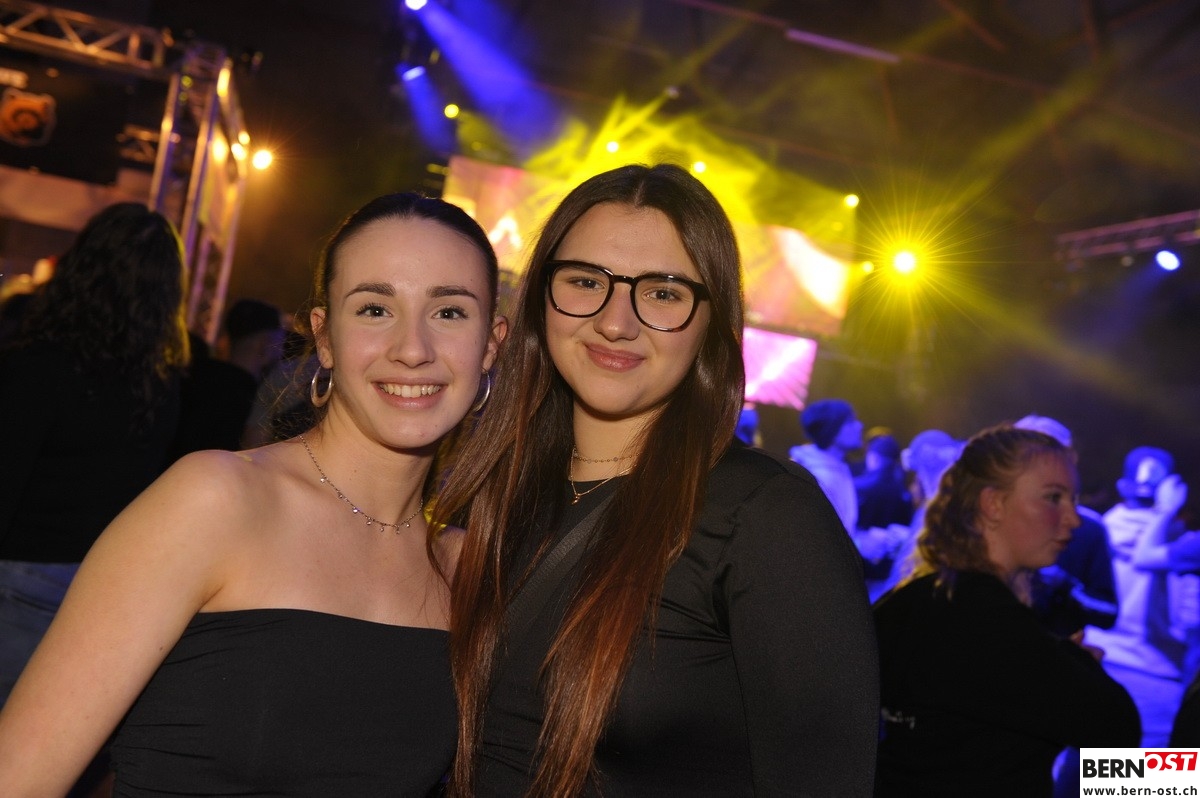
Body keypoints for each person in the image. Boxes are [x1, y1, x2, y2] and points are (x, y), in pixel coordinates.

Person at [0, 192, 507, 797]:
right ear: (324, 336)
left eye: (449, 312)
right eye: (375, 309)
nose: (413, 348)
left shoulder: (467, 569)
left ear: (491, 344)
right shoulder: (215, 503)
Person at [431, 163, 878, 797]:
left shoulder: (766, 518)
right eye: (586, 281)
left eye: (663, 293)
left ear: (711, 322)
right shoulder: (489, 490)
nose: (617, 321)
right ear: (540, 298)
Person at [874, 425, 1140, 797]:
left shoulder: (910, 600)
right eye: (1053, 498)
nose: (1074, 519)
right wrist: (1076, 662)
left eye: (1074, 499)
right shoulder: (987, 619)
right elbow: (1119, 727)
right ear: (993, 504)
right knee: (1177, 780)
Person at [1, 203, 190, 711]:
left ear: (82, 268)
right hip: (99, 587)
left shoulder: (39, 365)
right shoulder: (163, 384)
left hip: (21, 573)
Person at [1086, 446, 1193, 746]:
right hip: (1155, 670)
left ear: (1123, 487)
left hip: (1098, 657)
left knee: (1084, 758)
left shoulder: (1097, 531)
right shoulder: (1183, 544)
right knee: (1154, 771)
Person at [789, 397, 863, 534]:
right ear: (832, 430)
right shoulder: (822, 477)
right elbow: (822, 536)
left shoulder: (835, 467)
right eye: (850, 421)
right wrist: (862, 543)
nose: (859, 426)